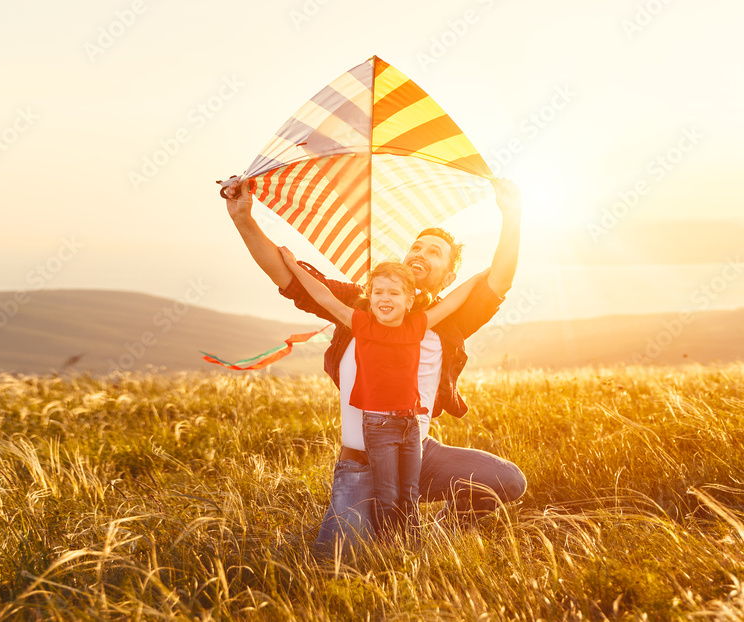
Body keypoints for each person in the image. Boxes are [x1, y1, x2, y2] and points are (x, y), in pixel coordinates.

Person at [224, 176, 526, 554]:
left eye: (434, 252)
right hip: (360, 461)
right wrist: (243, 217)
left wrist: (511, 214)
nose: (420, 253)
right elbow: (289, 278)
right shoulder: (362, 305)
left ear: (448, 276)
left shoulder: (450, 319)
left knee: (508, 480)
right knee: (341, 562)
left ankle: (443, 528)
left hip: (419, 453)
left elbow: (499, 279)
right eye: (416, 247)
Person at [280, 248, 488, 540]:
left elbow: (451, 303)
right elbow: (323, 295)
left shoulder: (416, 325)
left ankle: (409, 546)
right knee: (388, 493)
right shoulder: (361, 324)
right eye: (378, 293)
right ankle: (388, 544)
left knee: (409, 492)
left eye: (393, 293)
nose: (385, 299)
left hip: (410, 425)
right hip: (378, 426)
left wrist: (479, 277)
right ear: (370, 295)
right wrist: (293, 265)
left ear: (409, 300)